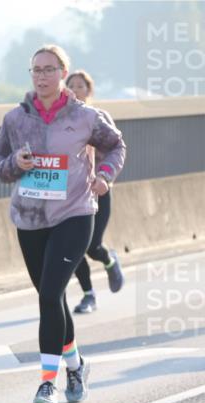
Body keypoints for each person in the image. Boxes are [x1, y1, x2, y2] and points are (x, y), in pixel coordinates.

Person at [0, 45, 125, 403]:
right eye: (36, 69)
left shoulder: (85, 116)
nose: (42, 75)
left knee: (49, 295)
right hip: (30, 218)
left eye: (49, 69)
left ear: (63, 73)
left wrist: (105, 175)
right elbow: (0, 167)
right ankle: (76, 366)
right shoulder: (15, 119)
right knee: (52, 299)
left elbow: (116, 147)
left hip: (75, 213)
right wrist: (16, 163)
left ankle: (46, 384)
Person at [66, 70, 125, 314]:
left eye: (81, 86)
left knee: (92, 246)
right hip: (70, 196)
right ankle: (88, 295)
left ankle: (109, 260)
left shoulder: (99, 118)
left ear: (89, 91)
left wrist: (104, 176)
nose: (75, 90)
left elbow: (116, 148)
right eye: (71, 86)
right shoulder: (60, 120)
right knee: (73, 247)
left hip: (98, 192)